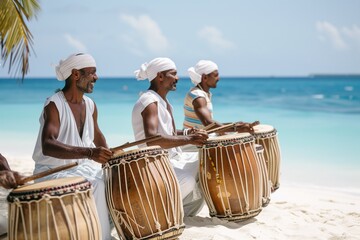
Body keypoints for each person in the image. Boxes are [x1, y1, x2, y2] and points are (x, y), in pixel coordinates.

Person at [32, 53, 113, 240]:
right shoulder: (54, 104)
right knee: (97, 185)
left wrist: (111, 158)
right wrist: (91, 153)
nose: (96, 77)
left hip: (80, 169)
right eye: (92, 73)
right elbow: (48, 145)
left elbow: (97, 135)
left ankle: (99, 231)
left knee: (112, 180)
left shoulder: (90, 105)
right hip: (51, 171)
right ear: (76, 75)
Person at [132, 57, 209, 217]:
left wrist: (188, 133)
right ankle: (155, 212)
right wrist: (190, 140)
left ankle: (179, 212)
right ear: (160, 76)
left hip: (171, 159)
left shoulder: (162, 101)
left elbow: (170, 134)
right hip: (154, 163)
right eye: (173, 74)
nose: (177, 78)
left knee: (206, 160)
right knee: (187, 180)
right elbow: (152, 138)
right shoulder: (149, 101)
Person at [184, 60, 259, 133]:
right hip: (193, 143)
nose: (218, 78)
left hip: (200, 140)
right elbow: (208, 123)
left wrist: (235, 125)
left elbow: (209, 124)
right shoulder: (198, 96)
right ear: (205, 78)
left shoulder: (203, 94)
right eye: (216, 75)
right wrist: (237, 128)